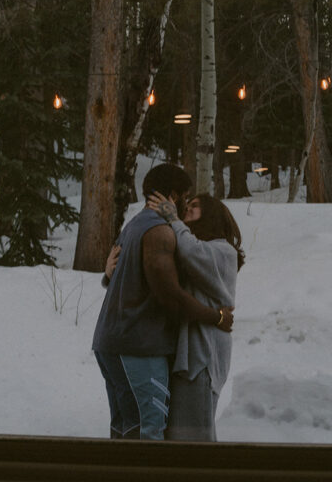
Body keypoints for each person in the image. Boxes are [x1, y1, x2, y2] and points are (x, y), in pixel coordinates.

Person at [92, 163, 234, 441]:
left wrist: (107, 276)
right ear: (173, 195)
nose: (185, 205)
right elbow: (170, 296)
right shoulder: (159, 231)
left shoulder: (133, 225)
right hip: (139, 345)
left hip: (109, 343)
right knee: (151, 430)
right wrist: (216, 316)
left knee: (125, 428)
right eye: (186, 196)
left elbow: (129, 278)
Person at [147, 190, 244, 441]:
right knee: (184, 429)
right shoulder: (196, 247)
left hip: (203, 353)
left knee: (195, 433)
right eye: (187, 204)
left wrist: (174, 220)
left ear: (211, 214)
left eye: (196, 205)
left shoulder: (223, 252)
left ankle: (204, 479)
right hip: (192, 352)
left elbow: (192, 252)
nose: (187, 208)